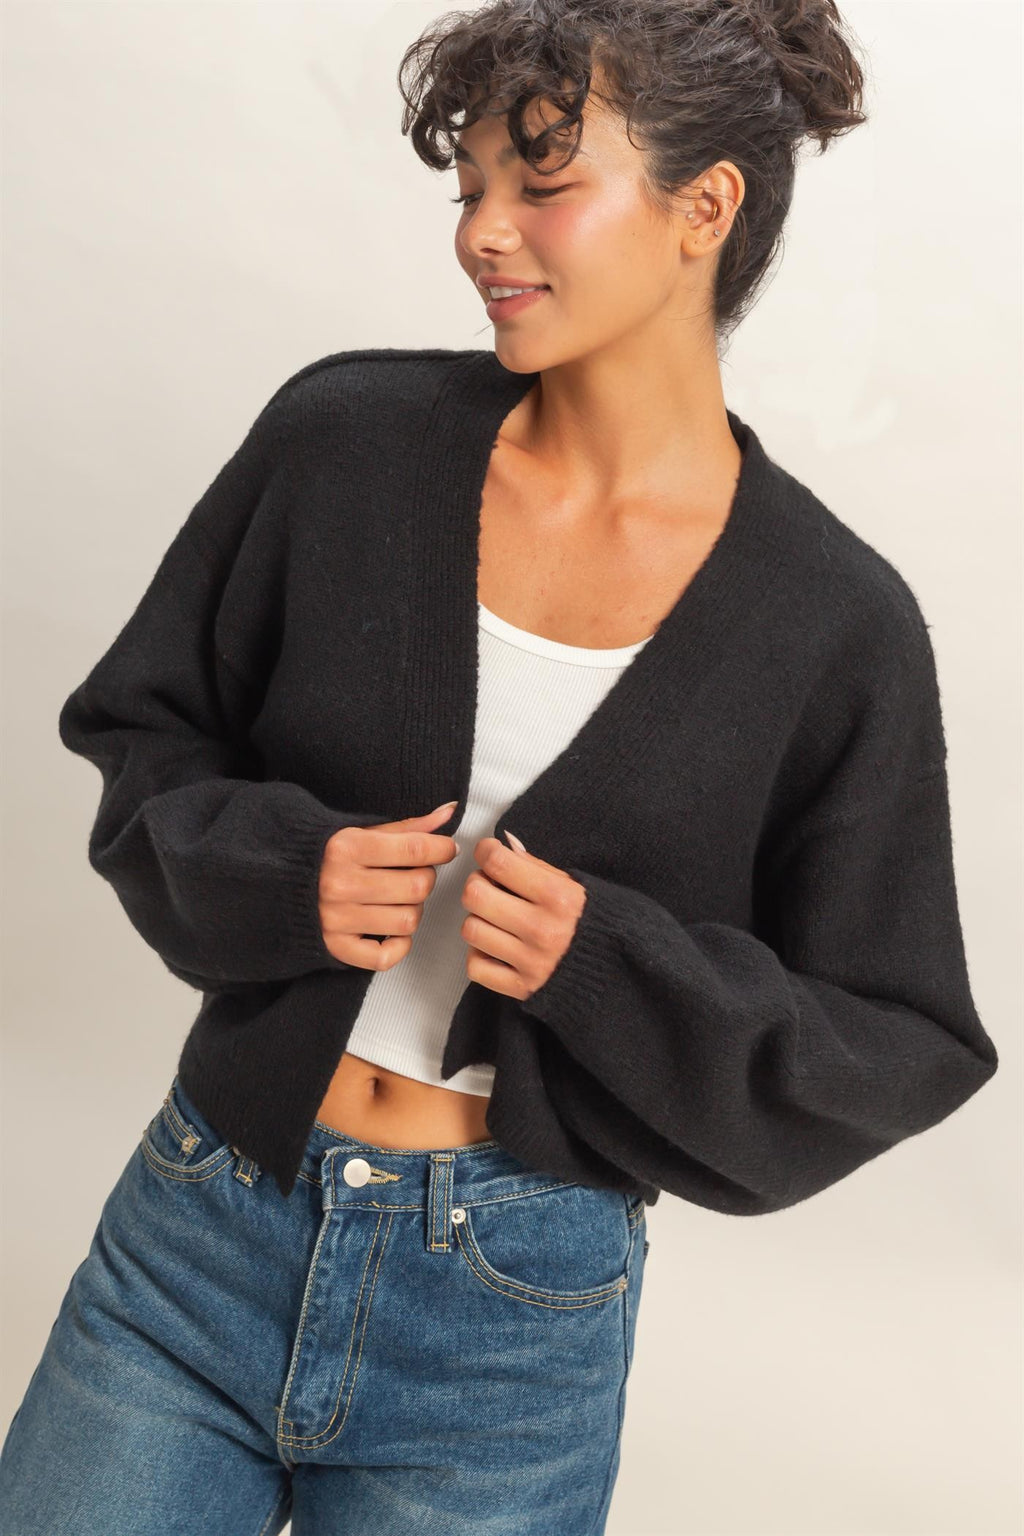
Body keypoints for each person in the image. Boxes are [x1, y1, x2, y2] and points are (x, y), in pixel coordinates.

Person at [0, 2, 998, 1533]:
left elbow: (899, 1035)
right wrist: (284, 873)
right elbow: (143, 734)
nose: (481, 230)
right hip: (204, 1232)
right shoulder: (342, 442)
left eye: (543, 184)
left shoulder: (832, 623)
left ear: (704, 209)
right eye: (469, 186)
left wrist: (608, 968)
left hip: (510, 1330)